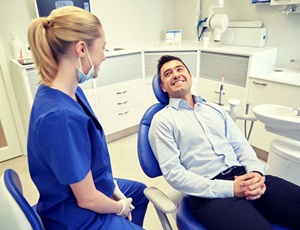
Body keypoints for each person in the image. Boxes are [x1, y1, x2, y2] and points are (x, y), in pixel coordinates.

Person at [27, 6, 148, 229]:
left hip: (89, 188)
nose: (104, 55)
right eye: (102, 47)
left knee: (140, 193)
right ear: (82, 49)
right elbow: (88, 199)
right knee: (128, 206)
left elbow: (89, 159)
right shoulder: (59, 117)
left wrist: (112, 187)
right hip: (76, 216)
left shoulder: (69, 91)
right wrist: (119, 208)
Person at [148, 55, 300, 230]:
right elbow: (174, 173)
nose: (175, 74)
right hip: (210, 195)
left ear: (190, 76)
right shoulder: (162, 121)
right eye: (168, 74)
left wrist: (256, 173)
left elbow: (241, 145)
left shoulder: (215, 109)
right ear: (163, 87)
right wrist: (231, 188)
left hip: (245, 175)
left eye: (179, 69)